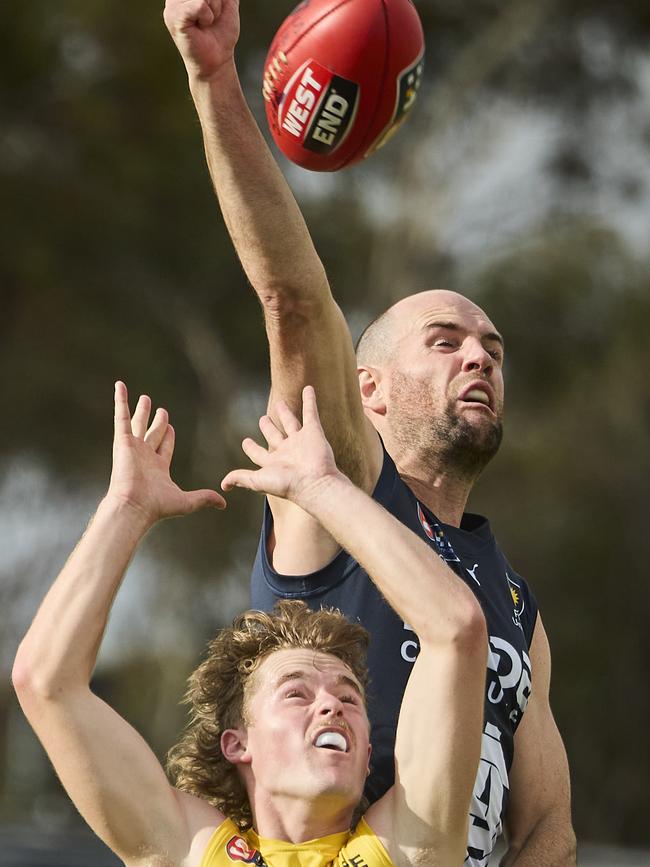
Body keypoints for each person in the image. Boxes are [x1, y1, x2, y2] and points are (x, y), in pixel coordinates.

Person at [163, 1, 576, 864]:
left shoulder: (517, 604)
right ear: (368, 389)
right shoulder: (341, 487)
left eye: (492, 348)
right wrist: (213, 80)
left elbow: (544, 825)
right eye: (445, 341)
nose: (479, 358)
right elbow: (294, 296)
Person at [12, 382, 487, 866]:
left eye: (348, 698)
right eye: (297, 693)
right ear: (238, 743)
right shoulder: (193, 851)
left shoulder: (407, 847)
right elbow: (47, 681)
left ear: (368, 754)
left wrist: (325, 488)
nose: (331, 705)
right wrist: (127, 508)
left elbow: (456, 630)